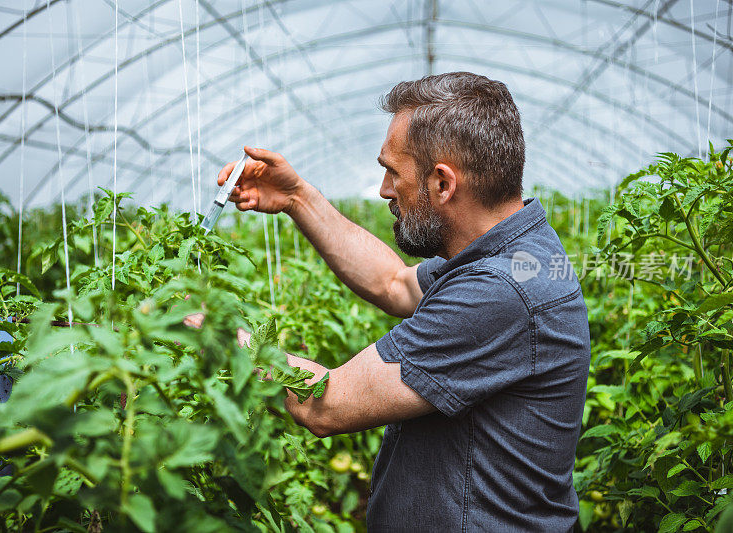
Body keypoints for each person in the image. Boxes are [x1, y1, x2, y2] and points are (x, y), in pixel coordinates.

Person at [216, 72, 590, 532]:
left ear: (443, 184)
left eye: (393, 172)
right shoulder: (507, 253)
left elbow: (324, 404)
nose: (384, 190)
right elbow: (393, 283)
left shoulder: (499, 290)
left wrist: (222, 338)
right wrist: (298, 197)